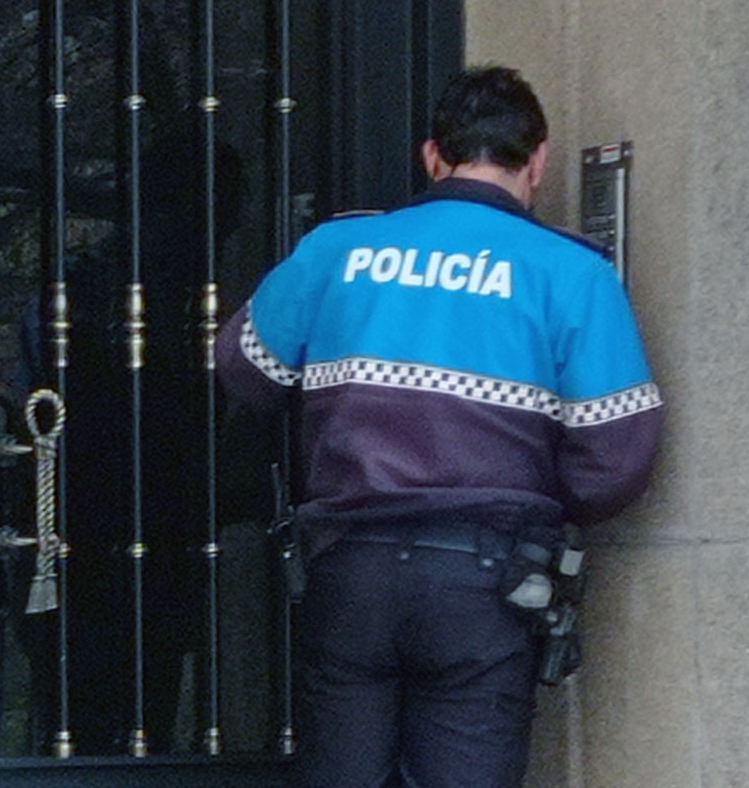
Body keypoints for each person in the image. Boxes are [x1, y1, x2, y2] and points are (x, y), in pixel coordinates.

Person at [214, 66, 663, 787]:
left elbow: (245, 369)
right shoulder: (571, 273)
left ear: (433, 155)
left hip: (348, 570)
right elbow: (619, 455)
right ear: (538, 162)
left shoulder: (338, 251)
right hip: (486, 576)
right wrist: (536, 501)